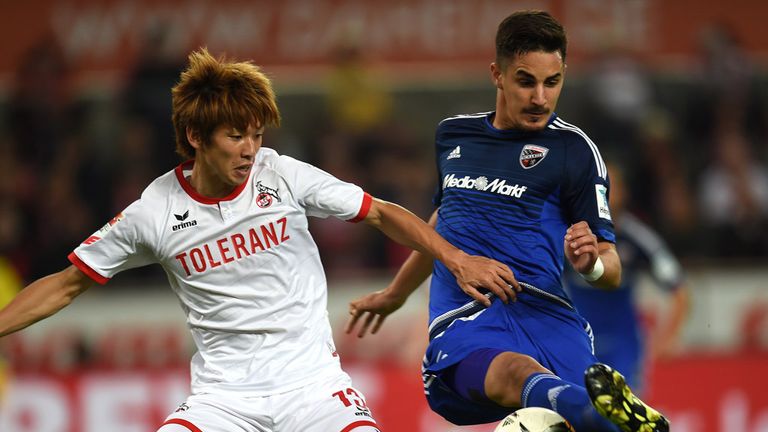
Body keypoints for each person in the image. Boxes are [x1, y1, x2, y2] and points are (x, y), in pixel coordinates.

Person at [0, 48, 518, 432]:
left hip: (314, 389)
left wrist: (456, 258)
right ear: (197, 138)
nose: (250, 150)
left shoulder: (282, 174)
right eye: (235, 136)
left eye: (257, 135)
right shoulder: (154, 211)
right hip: (222, 400)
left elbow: (381, 213)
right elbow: (67, 285)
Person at [346, 10, 669, 432]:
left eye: (552, 82)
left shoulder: (574, 151)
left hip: (548, 317)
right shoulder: (454, 136)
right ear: (497, 74)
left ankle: (601, 419)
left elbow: (611, 266)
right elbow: (443, 222)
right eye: (525, 81)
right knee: (521, 375)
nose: (540, 98)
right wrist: (396, 293)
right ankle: (601, 418)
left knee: (561, 405)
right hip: (470, 315)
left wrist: (589, 263)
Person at [564, 163, 690, 396]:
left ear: (624, 191)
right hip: (579, 341)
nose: (603, 192)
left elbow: (679, 289)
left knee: (626, 416)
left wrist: (668, 337)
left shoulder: (639, 238)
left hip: (623, 343)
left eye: (611, 186)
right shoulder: (570, 235)